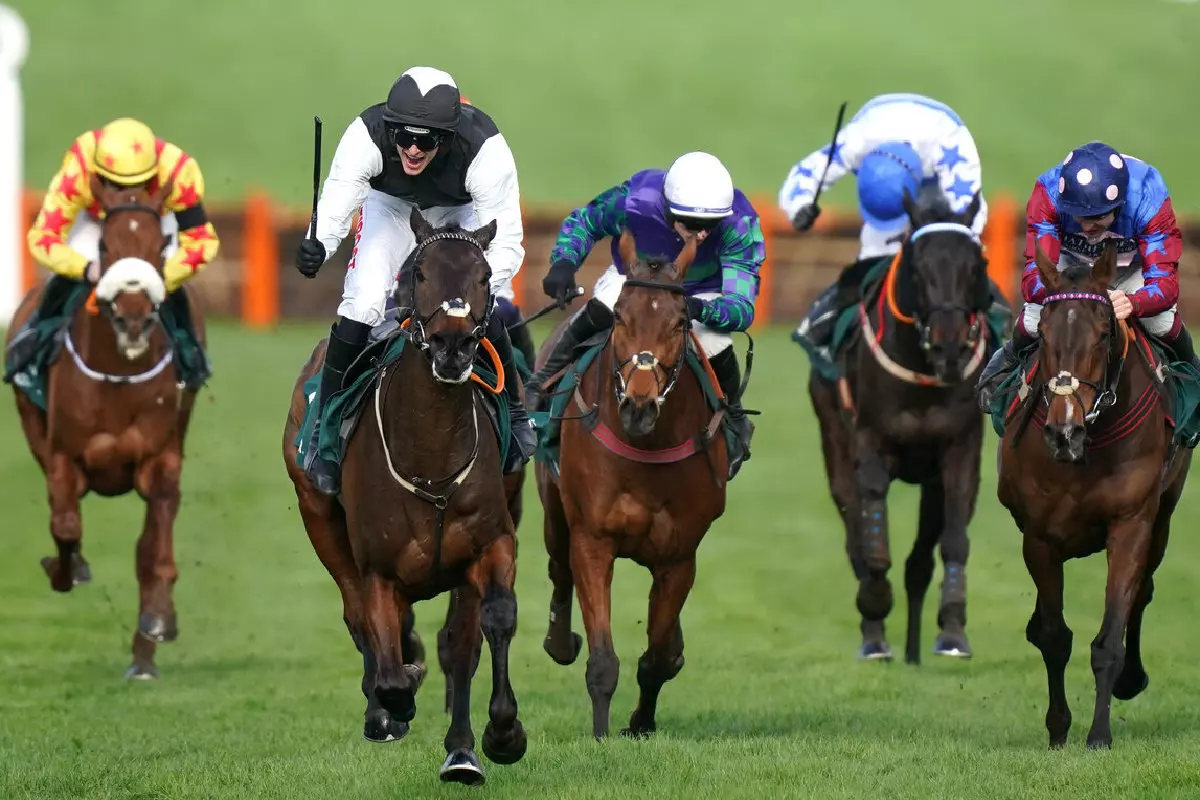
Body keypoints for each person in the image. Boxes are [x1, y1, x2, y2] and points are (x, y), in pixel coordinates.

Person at [293, 66, 535, 495]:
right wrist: (318, 246)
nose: (412, 149)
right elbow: (335, 205)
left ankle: (516, 415)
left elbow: (507, 242)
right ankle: (324, 434)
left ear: (449, 136)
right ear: (389, 128)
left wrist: (470, 292)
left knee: (483, 302)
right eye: (403, 136)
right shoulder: (366, 136)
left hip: (461, 212)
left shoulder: (485, 150)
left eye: (427, 140)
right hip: (390, 207)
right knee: (365, 302)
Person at [524, 151, 761, 478]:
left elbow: (742, 306)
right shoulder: (636, 201)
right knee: (604, 304)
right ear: (667, 209)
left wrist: (701, 309)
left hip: (698, 290)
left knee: (714, 340)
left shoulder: (740, 224)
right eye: (692, 225)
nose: (701, 234)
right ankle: (541, 383)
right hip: (636, 277)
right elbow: (586, 221)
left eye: (710, 226)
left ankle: (734, 417)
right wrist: (565, 261)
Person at [977, 140, 1194, 408]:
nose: (1088, 226)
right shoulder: (1047, 194)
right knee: (1034, 318)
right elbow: (1034, 276)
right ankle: (1003, 364)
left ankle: (1191, 370)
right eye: (1078, 216)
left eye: (1099, 217)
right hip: (1071, 268)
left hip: (1132, 268)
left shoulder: (1149, 197)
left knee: (1160, 323)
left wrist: (1135, 302)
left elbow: (1164, 285)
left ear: (1120, 204)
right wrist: (1067, 297)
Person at [7, 117, 218, 378]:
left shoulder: (178, 172)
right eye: (115, 185)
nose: (127, 195)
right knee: (61, 280)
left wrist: (163, 277)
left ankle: (190, 353)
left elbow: (202, 242)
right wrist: (86, 268)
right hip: (96, 221)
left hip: (154, 221)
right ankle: (34, 343)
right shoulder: (80, 168)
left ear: (155, 175)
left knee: (178, 293)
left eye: (140, 185)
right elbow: (43, 237)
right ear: (98, 176)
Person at [780, 93, 989, 351]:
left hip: (938, 190)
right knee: (873, 258)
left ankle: (996, 324)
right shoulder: (857, 141)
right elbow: (808, 170)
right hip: (892, 178)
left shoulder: (951, 143)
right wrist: (799, 206)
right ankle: (827, 315)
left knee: (954, 261)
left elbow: (967, 214)